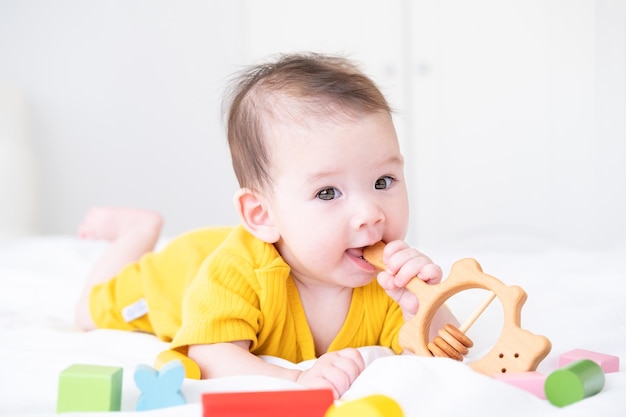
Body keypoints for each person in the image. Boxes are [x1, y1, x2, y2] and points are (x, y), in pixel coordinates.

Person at [75, 53, 459, 398]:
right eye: (328, 193)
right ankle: (137, 231)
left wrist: (422, 305)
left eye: (383, 182)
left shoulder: (387, 283)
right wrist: (296, 383)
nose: (370, 213)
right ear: (263, 215)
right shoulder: (236, 273)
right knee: (89, 314)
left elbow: (446, 350)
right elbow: (211, 357)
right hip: (181, 272)